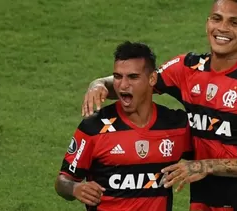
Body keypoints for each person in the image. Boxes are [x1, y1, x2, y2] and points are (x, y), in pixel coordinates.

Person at [81, 0, 237, 210]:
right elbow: (140, 83)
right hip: (203, 201)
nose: (223, 28)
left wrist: (205, 165)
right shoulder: (187, 69)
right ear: (208, 22)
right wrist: (99, 84)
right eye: (217, 19)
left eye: (234, 22)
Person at [55, 41, 193, 211]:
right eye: (118, 77)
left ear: (152, 79)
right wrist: (74, 188)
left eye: (133, 77)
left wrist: (200, 166)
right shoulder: (94, 128)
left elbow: (212, 151)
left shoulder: (176, 125)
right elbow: (63, 181)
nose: (123, 85)